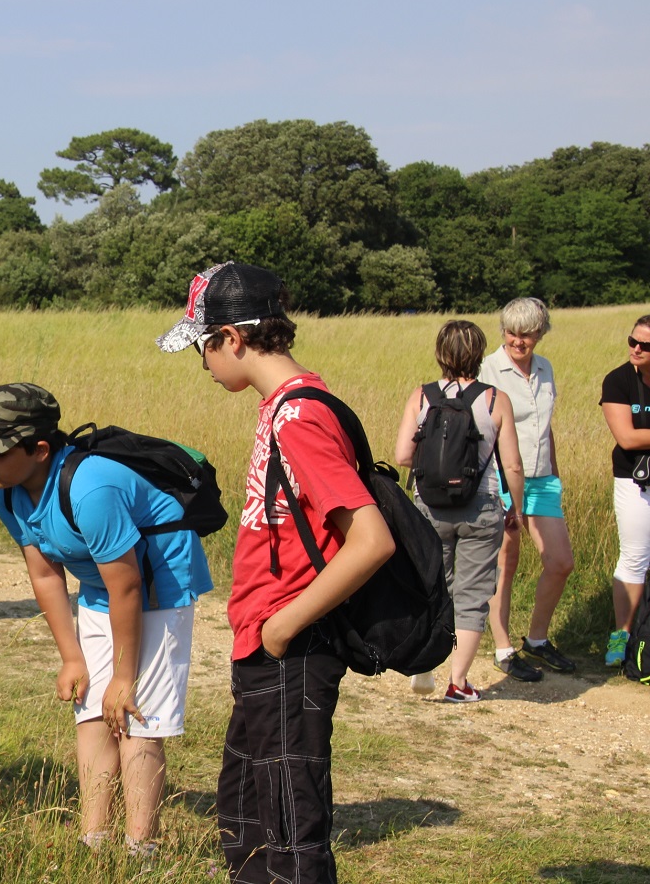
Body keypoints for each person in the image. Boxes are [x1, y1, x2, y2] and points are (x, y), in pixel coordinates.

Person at [157, 262, 394, 883]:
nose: (204, 363)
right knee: (247, 816)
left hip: (290, 647)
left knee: (289, 831)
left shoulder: (299, 417)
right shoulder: (281, 407)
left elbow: (370, 541)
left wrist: (282, 627)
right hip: (266, 644)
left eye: (204, 345)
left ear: (233, 338)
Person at [0, 382, 214, 858]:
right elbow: (44, 573)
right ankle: (93, 840)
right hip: (102, 588)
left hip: (158, 584)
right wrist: (71, 658)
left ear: (39, 450)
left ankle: (141, 849)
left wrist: (124, 676)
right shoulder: (9, 491)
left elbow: (130, 587)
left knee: (137, 716)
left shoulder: (91, 486)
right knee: (92, 711)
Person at [393, 320, 525, 702]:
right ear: (480, 353)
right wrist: (516, 507)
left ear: (440, 353)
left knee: (433, 586)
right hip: (480, 506)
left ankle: (423, 664)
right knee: (472, 595)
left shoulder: (421, 396)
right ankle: (459, 683)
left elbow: (403, 455)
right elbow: (513, 466)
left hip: (429, 506)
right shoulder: (495, 399)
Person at [478, 297, 576, 681]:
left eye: (528, 334)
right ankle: (503, 649)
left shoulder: (546, 368)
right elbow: (484, 430)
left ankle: (536, 640)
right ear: (503, 331)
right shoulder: (489, 369)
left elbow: (545, 424)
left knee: (560, 561)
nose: (519, 341)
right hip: (502, 477)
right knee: (506, 561)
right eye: (512, 333)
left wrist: (555, 468)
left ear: (541, 333)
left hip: (543, 478)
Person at [598, 315, 650, 666]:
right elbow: (627, 438)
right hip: (634, 479)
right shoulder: (618, 380)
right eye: (632, 341)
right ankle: (623, 635)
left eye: (645, 346)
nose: (636, 349)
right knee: (634, 556)